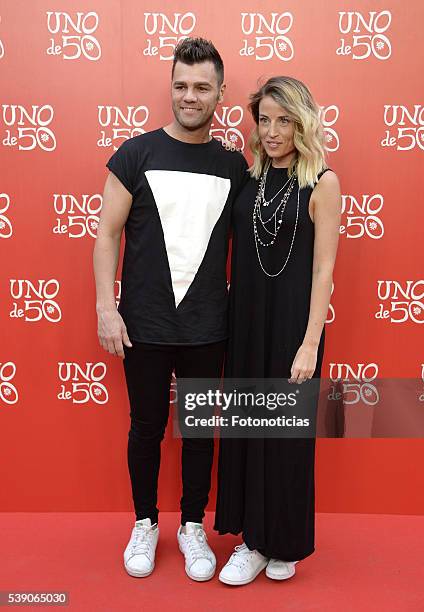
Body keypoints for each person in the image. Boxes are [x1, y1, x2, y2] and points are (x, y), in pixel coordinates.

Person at [93, 37, 247, 582]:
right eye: (181, 85)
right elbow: (107, 235)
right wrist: (105, 309)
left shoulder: (234, 166)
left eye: (202, 87)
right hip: (145, 325)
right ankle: (144, 522)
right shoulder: (134, 154)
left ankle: (191, 526)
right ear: (171, 87)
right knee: (146, 427)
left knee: (200, 430)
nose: (189, 95)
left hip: (209, 326)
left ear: (219, 93)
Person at [214, 76, 341, 585]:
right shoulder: (250, 178)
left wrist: (310, 343)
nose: (271, 130)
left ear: (302, 121)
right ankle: (251, 541)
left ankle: (282, 541)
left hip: (292, 328)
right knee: (248, 429)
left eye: (283, 120)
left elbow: (324, 272)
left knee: (286, 438)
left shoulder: (323, 182)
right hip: (245, 323)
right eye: (263, 119)